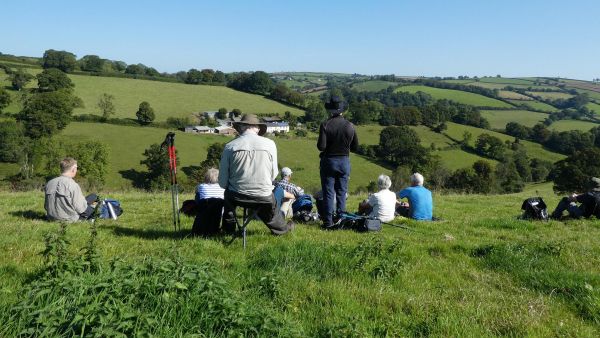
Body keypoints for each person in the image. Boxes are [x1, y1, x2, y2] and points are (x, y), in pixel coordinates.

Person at [218, 114, 293, 235]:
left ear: (241, 127)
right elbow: (273, 175)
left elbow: (222, 182)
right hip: (263, 197)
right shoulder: (270, 144)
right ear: (257, 128)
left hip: (236, 196)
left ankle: (228, 229)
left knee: (228, 199)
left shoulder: (230, 146)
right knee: (270, 208)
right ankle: (281, 229)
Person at [317, 96, 358, 229]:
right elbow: (355, 147)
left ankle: (328, 222)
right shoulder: (350, 126)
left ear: (330, 110)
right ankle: (341, 219)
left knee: (328, 192)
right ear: (342, 110)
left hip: (329, 161)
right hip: (344, 161)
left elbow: (321, 147)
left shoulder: (325, 124)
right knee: (341, 192)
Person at [44, 157, 97, 222]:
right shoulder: (73, 185)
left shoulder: (49, 183)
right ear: (73, 169)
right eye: (76, 168)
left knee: (93, 196)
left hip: (51, 218)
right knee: (96, 200)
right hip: (70, 219)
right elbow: (81, 209)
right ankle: (93, 216)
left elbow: (46, 206)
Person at [192, 168, 225, 235]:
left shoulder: (201, 186)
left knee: (198, 195)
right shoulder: (223, 187)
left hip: (204, 208)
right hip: (218, 210)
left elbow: (197, 194)